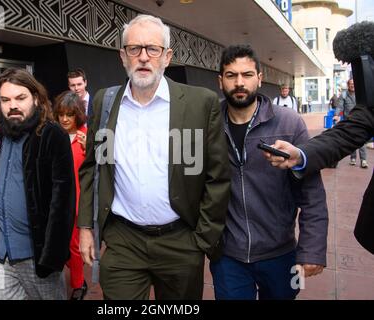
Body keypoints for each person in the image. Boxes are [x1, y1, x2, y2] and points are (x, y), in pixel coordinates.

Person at [77, 14, 231, 300]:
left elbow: (217, 176)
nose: (143, 57)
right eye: (134, 49)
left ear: (167, 56)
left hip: (181, 241)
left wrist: (201, 239)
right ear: (123, 56)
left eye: (153, 49)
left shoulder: (200, 103)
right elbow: (91, 169)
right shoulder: (105, 102)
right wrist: (86, 228)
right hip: (124, 241)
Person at [210, 45, 328, 300]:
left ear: (260, 78)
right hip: (228, 255)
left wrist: (312, 250)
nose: (239, 82)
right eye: (231, 75)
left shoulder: (290, 123)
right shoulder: (209, 124)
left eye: (247, 74)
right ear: (221, 81)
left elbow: (312, 193)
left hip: (281, 252)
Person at [0, 68, 75, 300]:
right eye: (5, 100)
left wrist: (52, 258)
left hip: (37, 258)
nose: (12, 105)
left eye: (20, 98)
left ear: (35, 98)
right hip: (0, 255)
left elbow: (64, 202)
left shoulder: (52, 135)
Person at [264, 103, 374, 254]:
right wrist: (300, 155)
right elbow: (348, 133)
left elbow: (311, 196)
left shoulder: (291, 121)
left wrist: (312, 248)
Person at [53, 91, 88, 300]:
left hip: (77, 203)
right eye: (61, 114)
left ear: (77, 115)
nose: (65, 119)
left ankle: (78, 283)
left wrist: (90, 148)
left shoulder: (86, 135)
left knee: (74, 246)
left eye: (70, 115)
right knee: (60, 244)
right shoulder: (54, 135)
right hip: (56, 202)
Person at [333, 79, 368, 168]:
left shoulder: (361, 94)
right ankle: (353, 158)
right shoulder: (344, 95)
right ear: (348, 85)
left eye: (353, 84)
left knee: (362, 140)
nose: (352, 85)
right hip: (349, 121)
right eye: (350, 84)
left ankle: (363, 160)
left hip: (361, 120)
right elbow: (339, 106)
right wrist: (336, 115)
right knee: (352, 139)